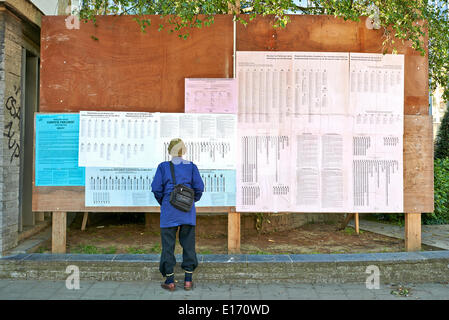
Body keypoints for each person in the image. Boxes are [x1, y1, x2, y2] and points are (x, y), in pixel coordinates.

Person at [151, 138, 204, 291]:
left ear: (169, 151)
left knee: (168, 246)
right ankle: (188, 280)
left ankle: (170, 281)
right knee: (188, 245)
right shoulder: (192, 166)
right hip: (187, 211)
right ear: (184, 151)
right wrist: (191, 202)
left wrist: (165, 202)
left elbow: (156, 189)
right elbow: (199, 188)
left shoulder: (163, 167)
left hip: (169, 212)